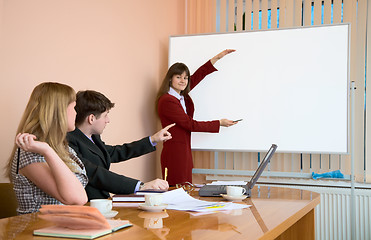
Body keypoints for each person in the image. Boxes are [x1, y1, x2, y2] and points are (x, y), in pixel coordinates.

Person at [67, 90, 173, 200]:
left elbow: (115, 152)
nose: (108, 120)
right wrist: (140, 186)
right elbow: (94, 173)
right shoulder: (69, 141)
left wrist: (152, 139)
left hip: (103, 201)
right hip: (88, 203)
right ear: (91, 118)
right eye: (105, 115)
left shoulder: (94, 137)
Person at [156, 49, 237, 186]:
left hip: (183, 150)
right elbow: (190, 124)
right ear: (170, 78)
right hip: (175, 153)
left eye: (185, 77)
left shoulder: (180, 95)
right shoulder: (167, 100)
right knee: (177, 190)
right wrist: (219, 123)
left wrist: (216, 58)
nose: (183, 81)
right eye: (178, 77)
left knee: (185, 188)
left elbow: (198, 76)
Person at [7, 82, 88, 214]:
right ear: (59, 112)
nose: (76, 113)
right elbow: (77, 198)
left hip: (61, 228)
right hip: (35, 231)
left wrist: (48, 150)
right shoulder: (30, 152)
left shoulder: (63, 148)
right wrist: (47, 150)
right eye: (74, 108)